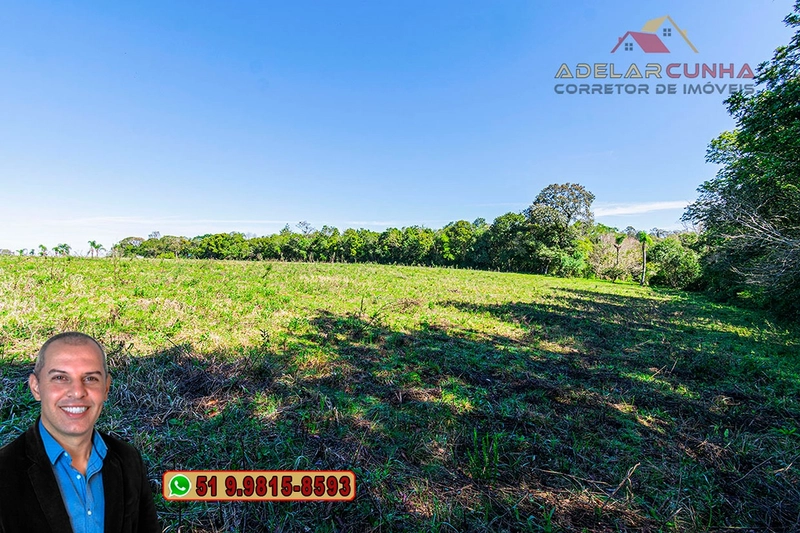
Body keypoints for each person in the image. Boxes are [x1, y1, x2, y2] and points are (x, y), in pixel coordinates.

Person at [0, 332, 161, 533]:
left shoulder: (128, 460)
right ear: (36, 387)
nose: (77, 392)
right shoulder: (4, 471)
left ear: (106, 388)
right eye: (60, 378)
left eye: (90, 378)